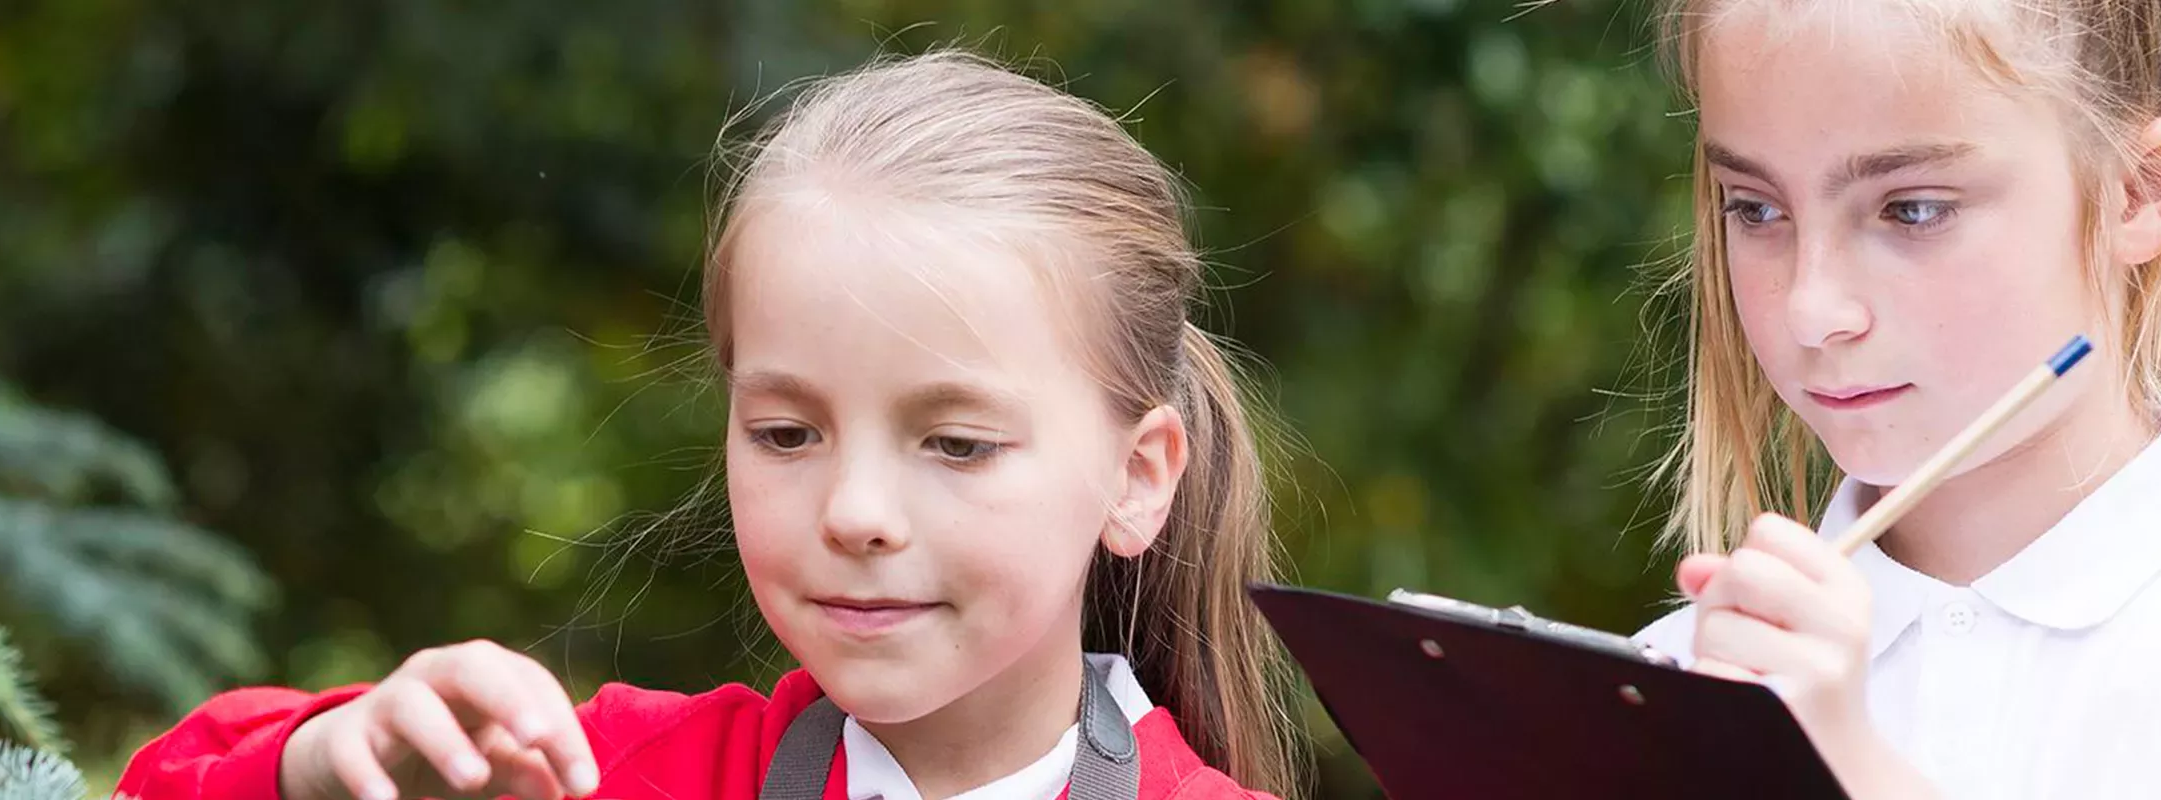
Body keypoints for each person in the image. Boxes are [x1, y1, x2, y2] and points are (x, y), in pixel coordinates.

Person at [119, 50, 1301, 800]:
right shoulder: (611, 776)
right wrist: (326, 766)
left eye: (957, 443)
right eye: (789, 432)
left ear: (1136, 476)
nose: (856, 513)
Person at [1626, 0, 2161, 796]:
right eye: (1755, 208)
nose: (1813, 310)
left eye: (1914, 210)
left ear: (2140, 190)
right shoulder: (1664, 685)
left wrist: (1844, 764)